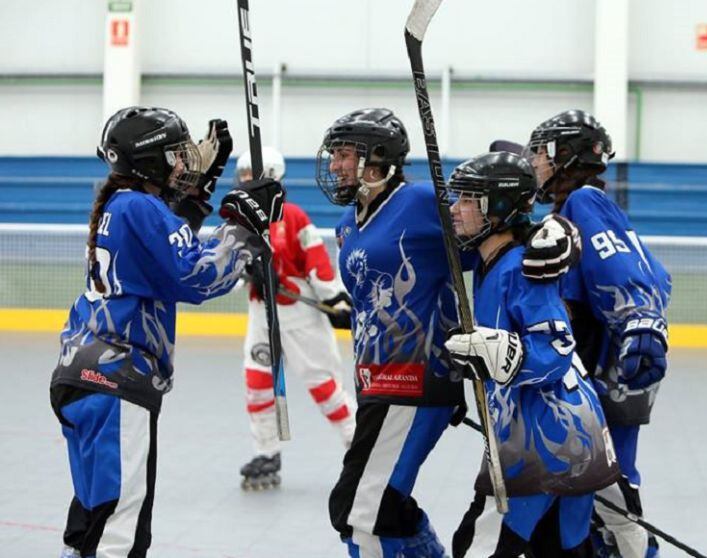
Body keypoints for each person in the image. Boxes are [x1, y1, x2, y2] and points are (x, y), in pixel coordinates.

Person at [317, 108, 582, 558]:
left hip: (416, 381)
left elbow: (500, 221)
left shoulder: (420, 203)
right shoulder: (348, 225)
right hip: (374, 382)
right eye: (335, 155)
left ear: (377, 159)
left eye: (344, 154)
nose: (335, 164)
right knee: (382, 506)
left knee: (362, 510)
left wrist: (557, 234)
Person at [49, 106, 284, 558]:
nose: (185, 162)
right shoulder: (139, 206)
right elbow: (195, 274)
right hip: (114, 382)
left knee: (91, 521)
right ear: (149, 161)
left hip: (81, 377)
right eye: (175, 156)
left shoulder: (122, 206)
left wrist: (199, 193)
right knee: (120, 532)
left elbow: (169, 246)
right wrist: (243, 230)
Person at [442, 151, 619, 558]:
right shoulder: (491, 260)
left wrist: (506, 356)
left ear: (498, 208)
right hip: (571, 435)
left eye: (468, 200)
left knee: (477, 546)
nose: (455, 209)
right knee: (561, 549)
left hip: (547, 439)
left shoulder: (523, 270)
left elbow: (556, 349)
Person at [525, 109, 671, 558]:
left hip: (605, 377)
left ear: (565, 154)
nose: (534, 162)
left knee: (612, 500)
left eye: (541, 152)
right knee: (589, 506)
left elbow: (632, 271)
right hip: (601, 377)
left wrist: (638, 319)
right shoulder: (571, 210)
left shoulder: (584, 204)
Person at [235, 147, 356, 490]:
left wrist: (334, 299)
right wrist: (247, 271)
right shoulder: (240, 221)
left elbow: (316, 261)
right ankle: (266, 451)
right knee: (258, 384)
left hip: (298, 312)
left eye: (249, 176)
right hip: (262, 311)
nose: (243, 182)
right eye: (241, 175)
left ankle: (358, 446)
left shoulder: (295, 217)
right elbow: (228, 266)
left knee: (324, 386)